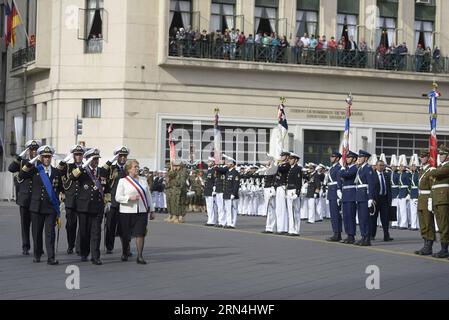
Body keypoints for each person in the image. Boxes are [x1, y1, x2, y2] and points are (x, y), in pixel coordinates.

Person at [19, 145, 63, 265]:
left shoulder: (56, 172)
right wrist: (32, 161)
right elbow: (22, 175)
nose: (47, 159)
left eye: (49, 157)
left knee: (50, 233)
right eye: (44, 157)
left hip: (50, 208)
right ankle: (37, 254)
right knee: (37, 233)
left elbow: (60, 188)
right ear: (41, 158)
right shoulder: (35, 170)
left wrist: (61, 201)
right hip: (36, 207)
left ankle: (51, 257)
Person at [70, 148, 109, 265]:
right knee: (84, 231)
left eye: (97, 159)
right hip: (84, 207)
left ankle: (95, 256)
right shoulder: (82, 171)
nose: (96, 161)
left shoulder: (102, 171)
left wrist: (108, 201)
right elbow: (72, 177)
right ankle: (84, 252)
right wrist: (82, 166)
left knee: (96, 232)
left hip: (98, 206)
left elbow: (107, 187)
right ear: (87, 159)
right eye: (93, 159)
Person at [115, 160, 155, 264]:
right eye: (135, 167)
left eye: (138, 167)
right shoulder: (123, 181)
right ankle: (125, 252)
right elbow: (117, 197)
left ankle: (140, 256)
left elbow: (148, 195)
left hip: (141, 211)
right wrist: (129, 198)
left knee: (140, 233)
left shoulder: (143, 180)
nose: (137, 168)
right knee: (125, 234)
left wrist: (151, 210)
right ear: (129, 169)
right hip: (126, 211)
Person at [8, 139, 41, 255]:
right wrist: (20, 156)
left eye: (36, 149)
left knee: (37, 225)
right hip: (25, 199)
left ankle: (38, 246)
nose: (34, 151)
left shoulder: (42, 163)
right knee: (25, 224)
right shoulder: (22, 162)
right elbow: (11, 168)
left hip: (37, 199)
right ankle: (26, 246)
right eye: (31, 149)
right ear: (28, 151)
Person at [57, 145, 85, 254]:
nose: (78, 156)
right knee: (70, 225)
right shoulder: (68, 167)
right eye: (76, 154)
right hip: (70, 199)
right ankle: (71, 244)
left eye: (80, 154)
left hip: (83, 200)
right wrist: (64, 160)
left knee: (82, 225)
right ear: (73, 155)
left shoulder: (86, 167)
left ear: (83, 156)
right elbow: (58, 171)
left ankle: (79, 246)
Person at [103, 146, 130, 254]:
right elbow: (102, 173)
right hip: (113, 202)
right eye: (120, 156)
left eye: (125, 156)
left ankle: (126, 249)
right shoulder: (111, 168)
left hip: (125, 202)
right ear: (117, 157)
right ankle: (109, 247)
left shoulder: (129, 169)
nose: (123, 158)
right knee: (110, 226)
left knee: (126, 227)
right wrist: (110, 161)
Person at [429, 145, 449, 259]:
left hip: (444, 199)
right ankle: (444, 249)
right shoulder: (441, 167)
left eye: (442, 154)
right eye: (439, 154)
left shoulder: (446, 166)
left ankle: (445, 249)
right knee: (442, 225)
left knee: (445, 225)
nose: (440, 156)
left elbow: (435, 174)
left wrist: (433, 170)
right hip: (438, 199)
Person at [415, 150, 436, 255]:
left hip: (427, 198)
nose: (422, 158)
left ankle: (429, 246)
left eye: (424, 157)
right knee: (422, 223)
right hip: (421, 198)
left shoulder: (430, 170)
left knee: (428, 223)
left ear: (428, 158)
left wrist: (431, 199)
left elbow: (433, 187)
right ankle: (425, 243)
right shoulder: (422, 170)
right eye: (421, 157)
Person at [354, 150, 375, 246]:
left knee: (365, 218)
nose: (358, 158)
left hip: (365, 196)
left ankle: (367, 238)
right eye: (358, 157)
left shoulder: (368, 168)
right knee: (361, 218)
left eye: (360, 157)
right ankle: (363, 236)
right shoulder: (360, 169)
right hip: (360, 196)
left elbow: (371, 184)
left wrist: (370, 198)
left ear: (366, 158)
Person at [370, 160, 394, 242]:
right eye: (379, 165)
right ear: (376, 166)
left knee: (385, 219)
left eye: (383, 165)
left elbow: (389, 189)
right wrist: (371, 199)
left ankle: (386, 235)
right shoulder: (372, 175)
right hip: (376, 199)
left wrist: (390, 200)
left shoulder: (386, 175)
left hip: (384, 199)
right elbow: (371, 189)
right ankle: (372, 235)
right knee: (373, 218)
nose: (381, 167)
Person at [340, 151, 358, 244]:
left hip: (351, 195)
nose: (347, 159)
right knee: (346, 216)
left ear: (354, 159)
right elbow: (341, 175)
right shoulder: (347, 168)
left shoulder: (354, 168)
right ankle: (348, 234)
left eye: (349, 157)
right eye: (346, 157)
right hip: (346, 195)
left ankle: (351, 235)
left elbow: (344, 175)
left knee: (351, 216)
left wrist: (343, 169)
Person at [326, 151, 342, 242]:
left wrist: (339, 191)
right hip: (331, 193)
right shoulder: (332, 168)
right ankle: (336, 232)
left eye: (333, 157)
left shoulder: (339, 168)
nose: (331, 158)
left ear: (337, 158)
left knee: (336, 214)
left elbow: (339, 181)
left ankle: (337, 233)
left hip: (335, 192)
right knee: (333, 214)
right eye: (331, 157)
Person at [274, 152, 291, 234]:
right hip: (278, 187)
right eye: (281, 156)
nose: (281, 157)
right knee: (279, 209)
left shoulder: (287, 165)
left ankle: (283, 228)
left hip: (283, 187)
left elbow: (281, 170)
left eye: (283, 156)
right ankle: (280, 227)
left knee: (282, 208)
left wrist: (276, 164)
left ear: (287, 157)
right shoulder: (281, 165)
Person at [286, 153, 302, 236]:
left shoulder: (298, 169)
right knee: (290, 211)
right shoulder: (291, 169)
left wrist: (297, 192)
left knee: (296, 211)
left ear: (295, 160)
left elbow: (299, 181)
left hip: (294, 190)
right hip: (289, 190)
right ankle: (291, 229)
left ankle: (296, 230)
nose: (289, 160)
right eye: (289, 159)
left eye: (291, 159)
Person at [223, 156, 240, 229]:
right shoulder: (227, 172)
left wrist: (233, 193)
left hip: (232, 194)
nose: (227, 163)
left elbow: (236, 184)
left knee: (233, 209)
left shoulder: (235, 173)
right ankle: (229, 222)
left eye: (229, 162)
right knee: (227, 209)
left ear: (233, 164)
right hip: (227, 193)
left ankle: (233, 223)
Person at [204, 158, 217, 226]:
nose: (208, 163)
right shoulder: (208, 171)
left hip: (211, 190)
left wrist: (214, 190)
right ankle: (210, 219)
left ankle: (212, 221)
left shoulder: (214, 170)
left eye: (209, 162)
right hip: (207, 190)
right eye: (208, 161)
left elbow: (215, 181)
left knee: (212, 206)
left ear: (212, 163)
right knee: (209, 207)